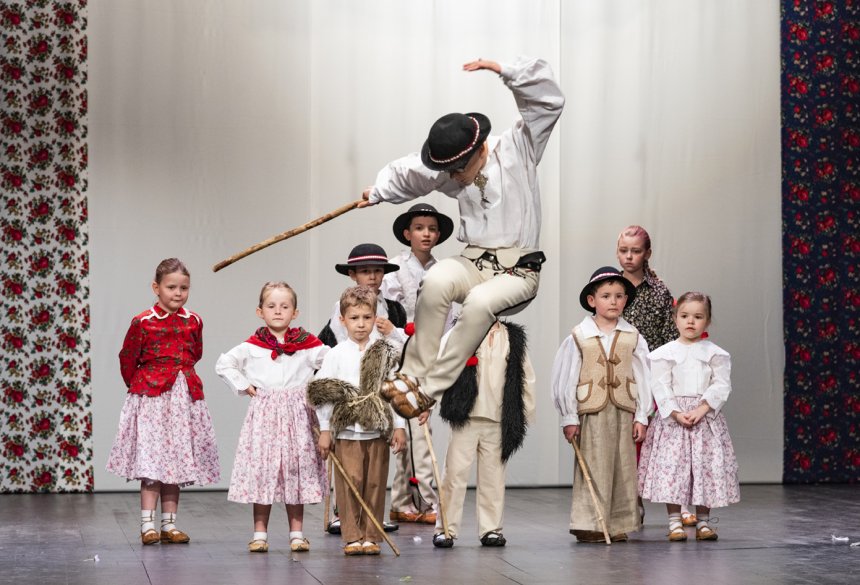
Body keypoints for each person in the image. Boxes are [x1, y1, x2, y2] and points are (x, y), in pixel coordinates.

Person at [361, 56, 564, 418]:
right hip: (474, 261)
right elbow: (412, 172)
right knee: (436, 279)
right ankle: (412, 375)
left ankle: (428, 389)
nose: (454, 178)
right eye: (448, 170)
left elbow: (548, 104)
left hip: (517, 270)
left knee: (479, 303)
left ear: (479, 149)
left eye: (458, 169)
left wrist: (508, 73)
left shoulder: (519, 147)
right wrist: (379, 192)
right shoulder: (450, 170)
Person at [106, 258, 220, 545]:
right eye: (171, 287)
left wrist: (179, 378)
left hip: (182, 397)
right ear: (156, 288)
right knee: (152, 460)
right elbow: (128, 358)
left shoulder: (193, 321)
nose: (178, 293)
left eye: (184, 288)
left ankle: (169, 525)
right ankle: (147, 525)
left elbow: (196, 353)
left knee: (175, 461)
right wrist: (141, 387)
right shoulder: (144, 321)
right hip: (152, 399)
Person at [215, 282, 329, 553]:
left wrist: (315, 386)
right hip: (265, 417)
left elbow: (332, 360)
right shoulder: (252, 346)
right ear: (260, 311)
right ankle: (259, 534)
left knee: (295, 470)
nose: (278, 311)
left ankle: (297, 534)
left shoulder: (307, 344)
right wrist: (244, 385)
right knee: (263, 472)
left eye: (285, 306)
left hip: (297, 416)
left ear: (295, 312)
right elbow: (224, 364)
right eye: (271, 306)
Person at [550, 267, 651, 543]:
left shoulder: (632, 335)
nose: (613, 301)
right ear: (592, 300)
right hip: (591, 411)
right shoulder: (579, 335)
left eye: (619, 296)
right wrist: (569, 416)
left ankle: (617, 523)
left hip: (623, 409)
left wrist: (642, 415)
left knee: (622, 467)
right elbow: (566, 377)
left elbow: (644, 375)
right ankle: (591, 523)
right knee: (593, 465)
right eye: (606, 296)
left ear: (625, 300)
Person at [308, 286, 408, 556]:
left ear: (375, 317)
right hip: (347, 431)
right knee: (349, 482)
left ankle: (371, 535)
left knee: (374, 483)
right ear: (343, 320)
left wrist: (399, 426)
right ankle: (352, 536)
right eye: (354, 318)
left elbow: (394, 390)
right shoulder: (336, 354)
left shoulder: (385, 352)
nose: (361, 324)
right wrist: (326, 430)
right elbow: (324, 394)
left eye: (366, 317)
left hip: (377, 429)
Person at [638, 292, 740, 541]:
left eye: (698, 317)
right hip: (674, 420)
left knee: (704, 468)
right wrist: (675, 412)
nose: (690, 321)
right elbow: (660, 385)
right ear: (675, 318)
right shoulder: (664, 353)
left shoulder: (715, 354)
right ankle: (675, 522)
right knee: (674, 469)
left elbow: (721, 384)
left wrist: (702, 409)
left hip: (704, 419)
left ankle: (703, 522)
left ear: (707, 320)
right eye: (684, 316)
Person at [381, 203, 455, 526]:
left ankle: (403, 501)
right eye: (420, 228)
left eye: (432, 229)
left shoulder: (445, 270)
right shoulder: (395, 268)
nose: (426, 234)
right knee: (412, 429)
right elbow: (390, 315)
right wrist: (401, 335)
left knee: (419, 428)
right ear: (407, 233)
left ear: (438, 235)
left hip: (431, 354)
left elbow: (450, 318)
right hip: (401, 351)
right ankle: (425, 499)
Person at [432, 320, 535, 548]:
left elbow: (525, 375)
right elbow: (441, 365)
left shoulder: (512, 337)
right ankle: (445, 528)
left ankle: (491, 529)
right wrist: (428, 401)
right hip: (465, 415)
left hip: (497, 417)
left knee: (494, 477)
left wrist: (525, 413)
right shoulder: (461, 329)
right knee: (454, 475)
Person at [615, 225, 685, 523]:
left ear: (647, 254)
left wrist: (671, 377)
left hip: (652, 375)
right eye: (623, 251)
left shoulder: (658, 291)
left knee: (654, 440)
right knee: (623, 440)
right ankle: (630, 501)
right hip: (617, 373)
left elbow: (670, 337)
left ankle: (674, 503)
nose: (629, 257)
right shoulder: (611, 286)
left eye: (635, 251)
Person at [318, 243, 408, 349]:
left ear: (384, 273)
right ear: (353, 274)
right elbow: (336, 341)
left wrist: (393, 332)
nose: (372, 277)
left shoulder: (396, 309)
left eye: (378, 270)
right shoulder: (343, 306)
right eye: (365, 271)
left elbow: (407, 346)